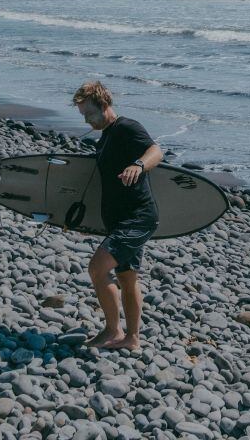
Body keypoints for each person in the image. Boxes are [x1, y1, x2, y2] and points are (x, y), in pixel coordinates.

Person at [72, 81, 164, 351]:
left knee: (97, 268)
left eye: (89, 114)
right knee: (127, 277)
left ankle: (113, 331)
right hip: (118, 218)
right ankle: (132, 339)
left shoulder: (126, 127)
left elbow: (156, 151)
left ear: (104, 105)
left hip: (137, 217)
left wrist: (138, 165)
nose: (87, 121)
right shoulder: (106, 137)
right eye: (83, 116)